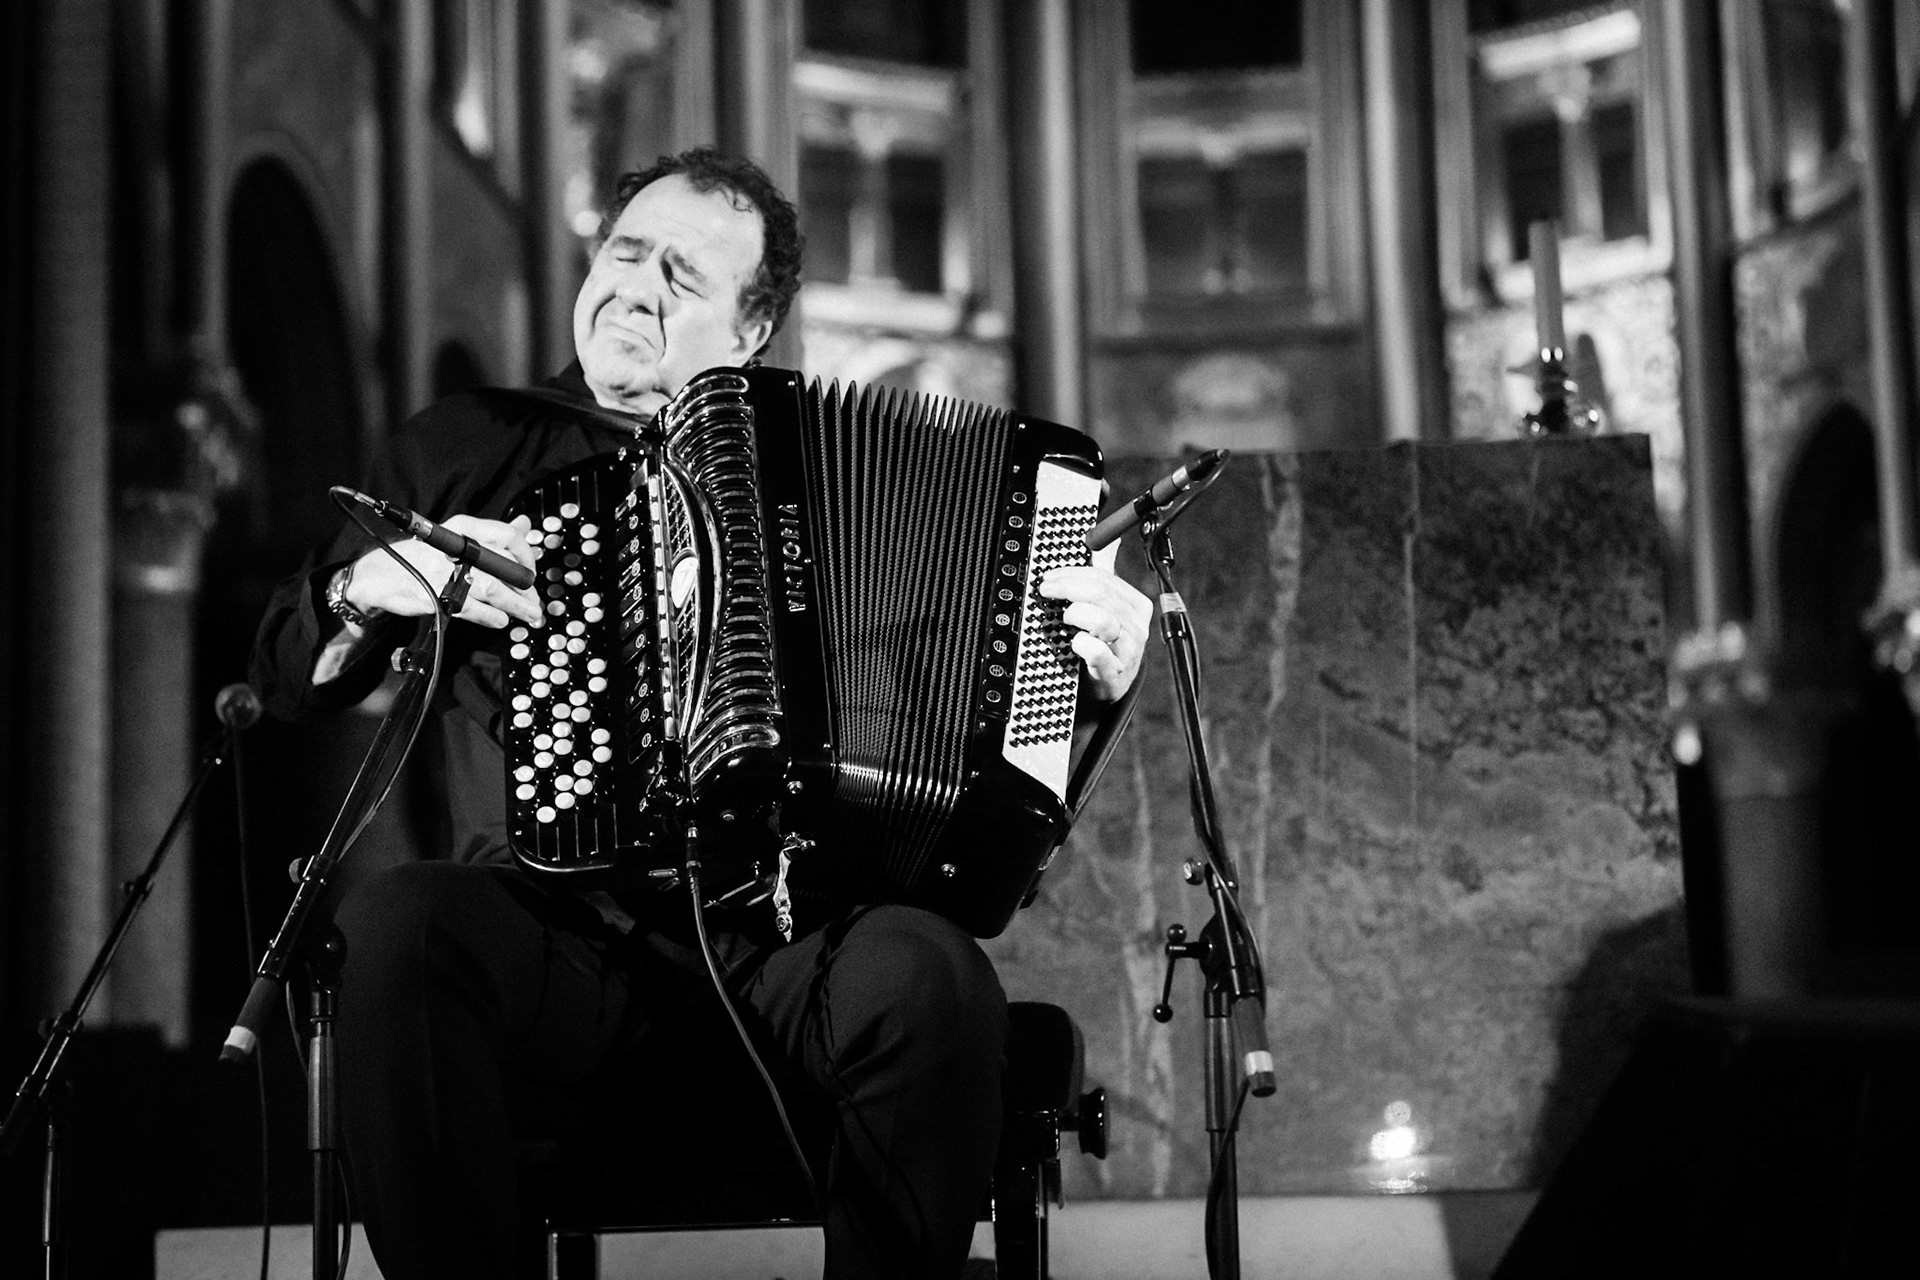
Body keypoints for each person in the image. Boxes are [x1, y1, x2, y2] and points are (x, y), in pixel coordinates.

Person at [252, 147, 1151, 1280]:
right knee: (400, 927)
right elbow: (292, 676)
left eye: (680, 274)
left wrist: (1086, 687)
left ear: (748, 330)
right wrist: (367, 585)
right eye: (624, 252)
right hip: (556, 947)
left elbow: (992, 830)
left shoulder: (833, 483)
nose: (634, 286)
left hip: (787, 945)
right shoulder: (468, 445)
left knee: (932, 973)